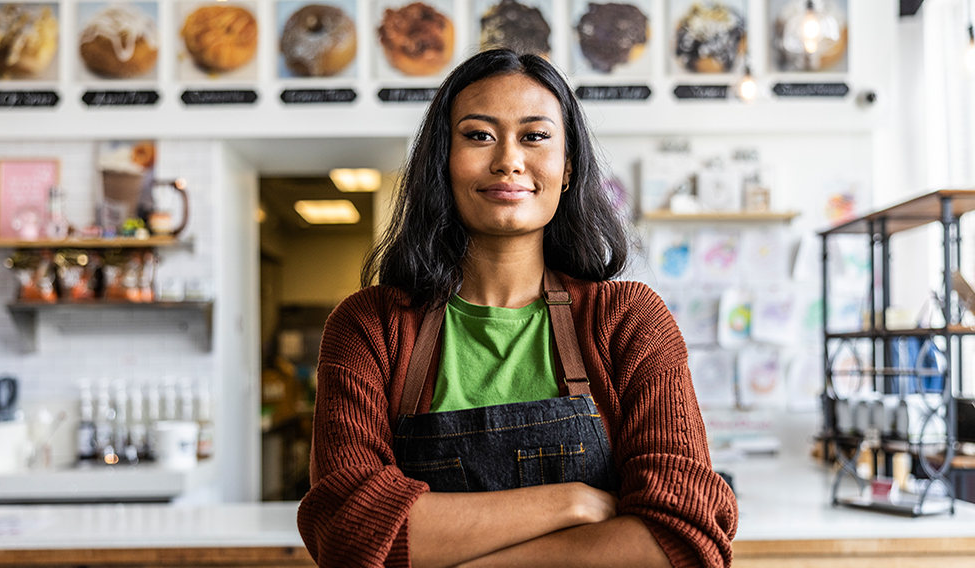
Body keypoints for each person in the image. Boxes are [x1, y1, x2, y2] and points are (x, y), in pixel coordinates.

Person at [298, 48, 737, 567]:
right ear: (443, 162)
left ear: (567, 167)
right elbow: (348, 531)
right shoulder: (370, 327)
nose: (508, 160)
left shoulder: (629, 321)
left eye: (535, 136)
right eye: (479, 135)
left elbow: (686, 534)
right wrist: (571, 503)